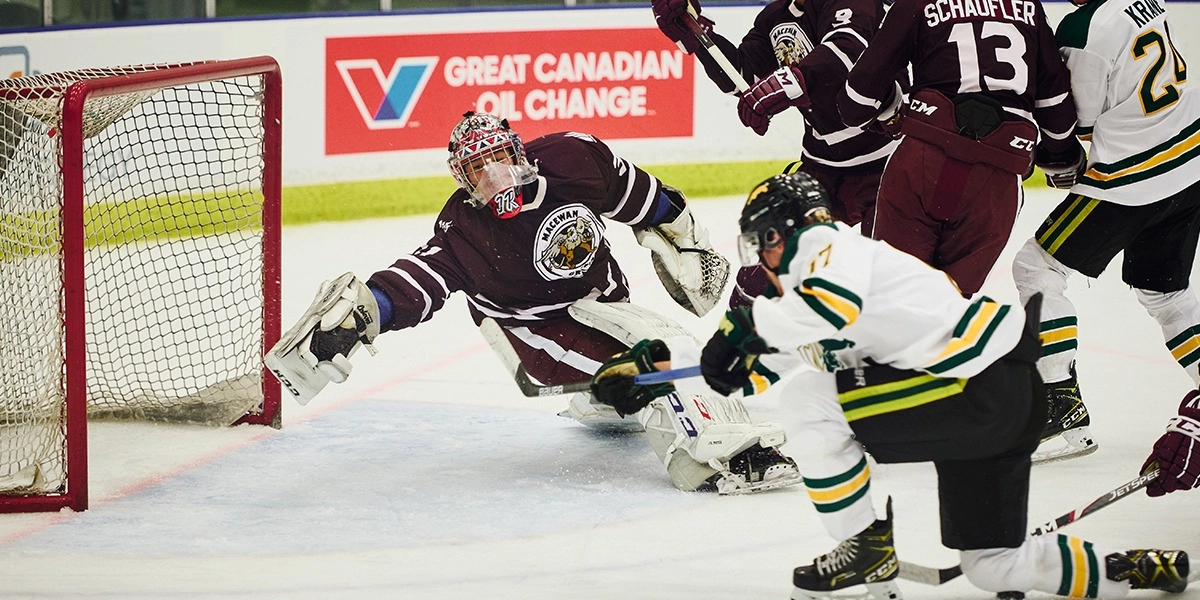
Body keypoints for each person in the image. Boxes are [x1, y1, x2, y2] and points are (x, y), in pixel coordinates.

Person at [591, 173, 1190, 598]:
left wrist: (743, 328)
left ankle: (863, 548)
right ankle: (1130, 571)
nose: (763, 261)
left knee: (810, 401)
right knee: (994, 565)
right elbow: (768, 366)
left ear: (779, 234)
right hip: (994, 402)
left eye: (762, 244)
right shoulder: (831, 282)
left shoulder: (830, 252)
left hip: (976, 388)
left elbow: (812, 320)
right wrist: (658, 374)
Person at [264, 111, 802, 495]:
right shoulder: (464, 228)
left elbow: (639, 197)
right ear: (463, 178)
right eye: (478, 168)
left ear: (518, 152)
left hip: (604, 301)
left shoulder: (574, 159)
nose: (493, 174)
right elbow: (414, 283)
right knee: (656, 360)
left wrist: (682, 232)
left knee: (661, 350)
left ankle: (603, 401)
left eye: (498, 157)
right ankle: (713, 461)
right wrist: (365, 313)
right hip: (536, 331)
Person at [1011, 0, 1200, 473]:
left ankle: (1060, 408)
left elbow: (1076, 120)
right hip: (1191, 159)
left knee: (1036, 266)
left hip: (1135, 175)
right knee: (1166, 293)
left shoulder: (1082, 28)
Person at [651, 0, 900, 308]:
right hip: (820, 171)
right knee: (759, 284)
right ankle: (747, 337)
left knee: (885, 284)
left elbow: (847, 52)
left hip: (887, 167)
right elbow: (743, 76)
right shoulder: (774, 16)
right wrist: (696, 35)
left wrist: (787, 83)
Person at [835, 0, 1082, 298]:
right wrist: (1061, 156)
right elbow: (1056, 108)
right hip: (996, 178)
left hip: (923, 163)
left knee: (895, 296)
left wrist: (888, 116)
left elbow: (858, 96)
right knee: (950, 306)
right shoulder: (1028, 6)